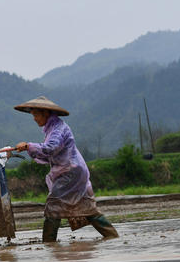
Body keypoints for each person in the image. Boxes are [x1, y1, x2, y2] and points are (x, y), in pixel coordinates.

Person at [13, 96, 118, 242]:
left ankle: (48, 244)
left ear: (45, 113)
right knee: (86, 207)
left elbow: (50, 148)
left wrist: (28, 146)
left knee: (53, 207)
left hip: (70, 173)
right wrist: (29, 148)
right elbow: (49, 155)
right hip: (73, 172)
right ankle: (112, 236)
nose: (34, 118)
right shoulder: (52, 128)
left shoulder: (58, 129)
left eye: (36, 114)